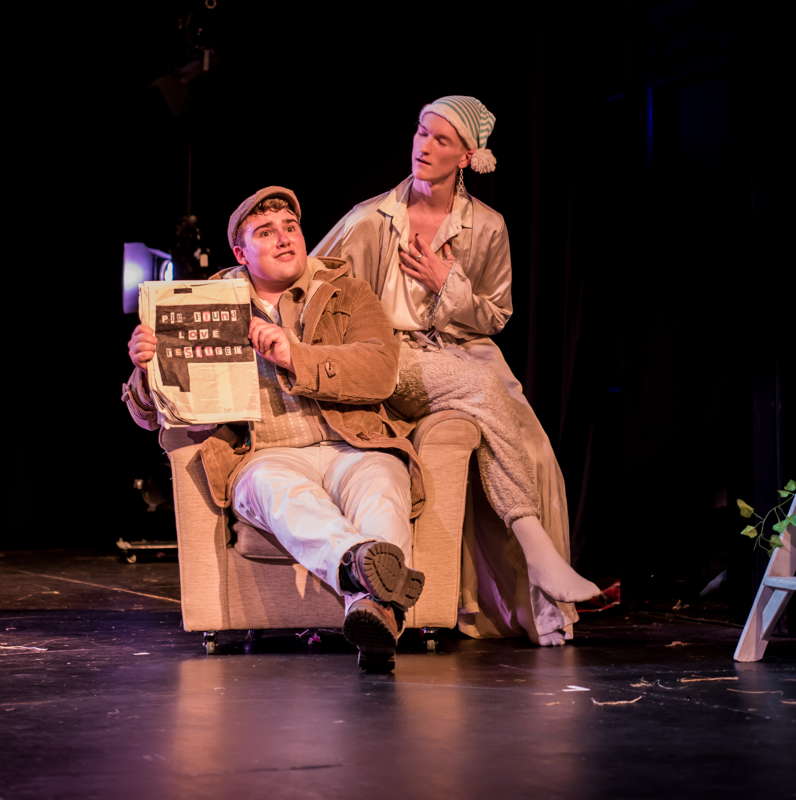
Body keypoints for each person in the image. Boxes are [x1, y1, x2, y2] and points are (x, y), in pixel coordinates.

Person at [312, 96, 599, 646]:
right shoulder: (370, 219)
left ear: (467, 155)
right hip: (390, 359)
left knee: (533, 450)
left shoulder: (487, 227)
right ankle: (536, 564)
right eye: (422, 132)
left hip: (464, 351)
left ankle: (541, 608)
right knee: (484, 389)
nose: (424, 145)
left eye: (442, 140)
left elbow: (495, 315)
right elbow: (312, 279)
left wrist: (449, 281)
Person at [124, 185, 425, 671]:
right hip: (267, 454)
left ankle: (372, 612)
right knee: (275, 489)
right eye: (266, 232)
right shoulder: (204, 303)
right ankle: (363, 577)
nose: (285, 239)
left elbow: (379, 372)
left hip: (354, 444)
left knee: (384, 483)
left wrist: (293, 354)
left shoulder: (347, 290)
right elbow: (149, 415)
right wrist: (146, 368)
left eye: (291, 227)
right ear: (241, 253)